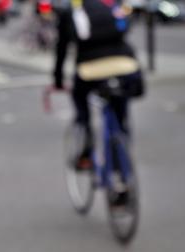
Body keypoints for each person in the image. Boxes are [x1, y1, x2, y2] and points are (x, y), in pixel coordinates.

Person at [52, 0, 143, 205]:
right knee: (120, 118)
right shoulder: (111, 6)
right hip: (125, 66)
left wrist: (57, 79)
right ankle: (122, 169)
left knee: (80, 101)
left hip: (89, 69)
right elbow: (126, 28)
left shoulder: (73, 11)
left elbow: (62, 48)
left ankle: (86, 146)